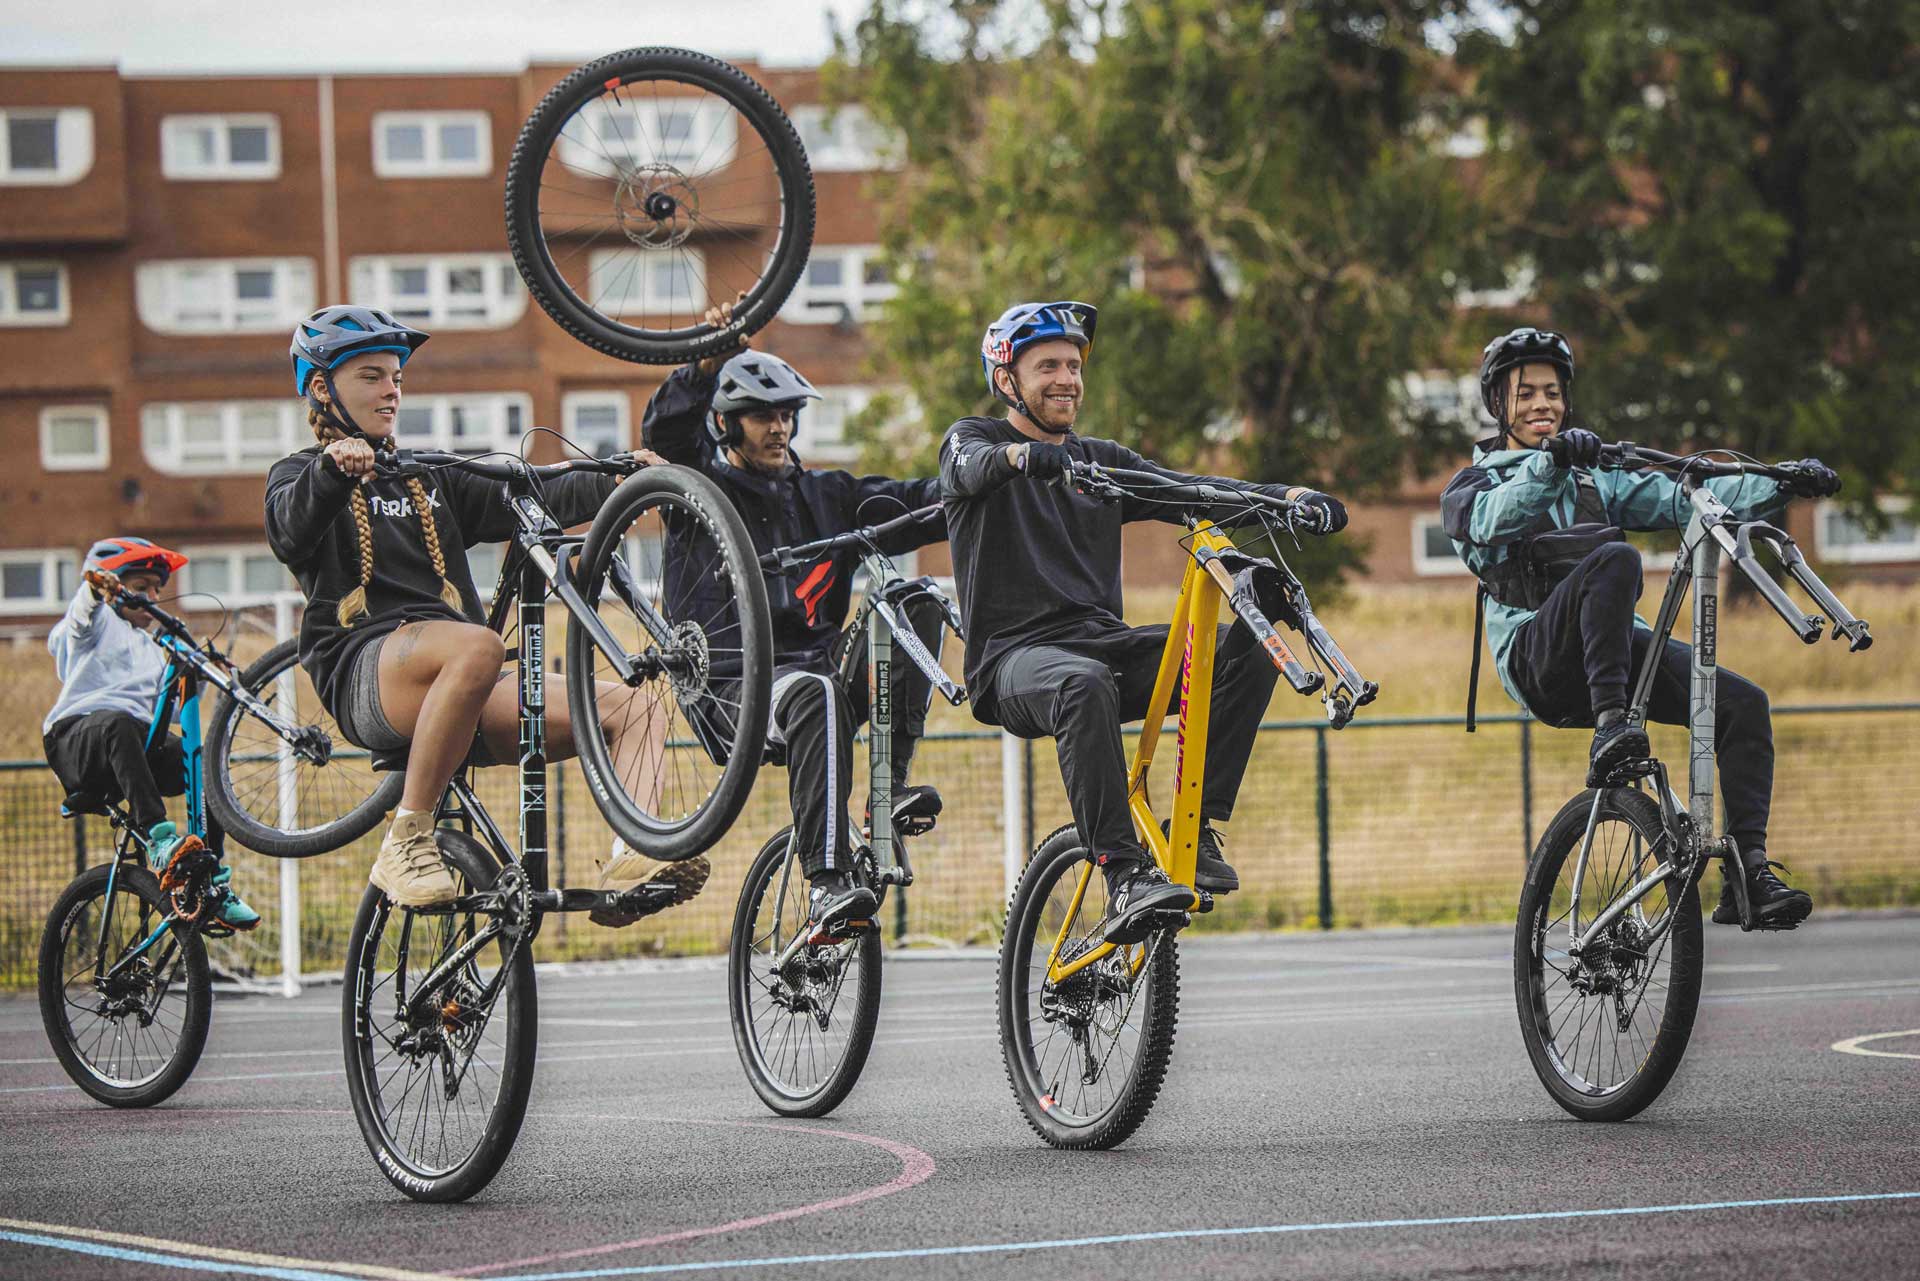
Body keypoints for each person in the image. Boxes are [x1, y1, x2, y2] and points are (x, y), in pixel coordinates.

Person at [266, 305, 695, 923]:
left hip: (461, 678)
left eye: (396, 378)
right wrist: (334, 473)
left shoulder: (429, 477)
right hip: (368, 676)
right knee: (477, 644)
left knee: (631, 705)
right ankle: (405, 840)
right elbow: (289, 530)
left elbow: (537, 491)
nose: (391, 390)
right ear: (320, 388)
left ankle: (636, 859)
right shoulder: (298, 475)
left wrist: (617, 478)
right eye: (371, 377)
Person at [941, 300, 1349, 944]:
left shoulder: (1097, 459)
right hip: (1014, 664)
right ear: (1005, 379)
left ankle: (1199, 825)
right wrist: (1023, 459)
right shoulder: (976, 440)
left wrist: (1287, 500)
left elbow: (1188, 490)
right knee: (1082, 684)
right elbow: (967, 469)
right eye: (1047, 365)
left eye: (1074, 366)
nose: (1066, 379)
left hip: (1103, 647)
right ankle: (1123, 872)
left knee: (1250, 644)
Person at [1441, 326, 1841, 929]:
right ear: (1499, 405)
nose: (1541, 405)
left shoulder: (1597, 475)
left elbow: (1687, 496)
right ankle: (1613, 728)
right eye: (1525, 395)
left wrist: (1780, 483)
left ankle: (1747, 873)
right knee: (1616, 557)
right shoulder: (1473, 486)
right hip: (1538, 658)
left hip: (1615, 655)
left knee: (1741, 704)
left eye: (1551, 393)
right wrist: (1550, 464)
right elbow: (1499, 520)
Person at [641, 303, 948, 935]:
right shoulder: (698, 491)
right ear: (727, 424)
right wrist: (705, 361)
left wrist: (986, 479)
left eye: (786, 415)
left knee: (917, 600)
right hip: (735, 689)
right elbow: (667, 434)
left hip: (821, 675)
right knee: (814, 694)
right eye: (761, 416)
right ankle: (826, 883)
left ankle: (885, 800)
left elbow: (916, 506)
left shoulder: (824, 495)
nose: (777, 428)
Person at [43, 538, 260, 930]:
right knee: (118, 721)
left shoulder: (149, 645)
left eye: (157, 590)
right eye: (141, 588)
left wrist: (196, 675)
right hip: (77, 740)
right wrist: (94, 591)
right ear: (113, 587)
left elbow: (173, 711)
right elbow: (77, 623)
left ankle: (208, 878)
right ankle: (159, 840)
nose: (153, 598)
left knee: (205, 764)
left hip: (132, 746)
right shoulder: (96, 624)